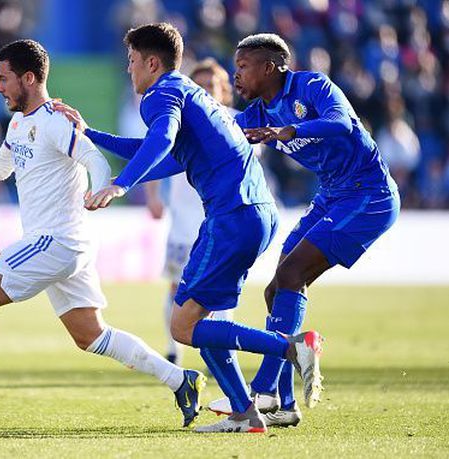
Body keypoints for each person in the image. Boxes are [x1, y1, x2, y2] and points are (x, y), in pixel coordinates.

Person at [0, 39, 208, 428]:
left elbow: (94, 159)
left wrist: (102, 189)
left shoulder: (56, 120)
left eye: (4, 78)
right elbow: (1, 168)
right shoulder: (19, 122)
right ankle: (182, 380)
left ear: (28, 78)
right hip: (65, 245)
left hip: (56, 240)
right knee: (91, 336)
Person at [54, 23, 323, 434]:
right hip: (254, 212)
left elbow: (159, 140)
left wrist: (121, 184)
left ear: (151, 62)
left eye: (130, 62)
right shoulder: (188, 94)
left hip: (232, 215)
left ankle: (292, 348)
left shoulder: (159, 94)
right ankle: (244, 413)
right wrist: (89, 133)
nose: (129, 70)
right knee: (199, 317)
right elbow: (161, 153)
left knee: (183, 326)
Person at [207, 33, 400, 428]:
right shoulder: (259, 113)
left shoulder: (311, 85)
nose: (236, 75)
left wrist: (289, 131)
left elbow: (343, 123)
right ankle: (285, 404)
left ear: (270, 67)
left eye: (243, 67)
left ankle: (263, 390)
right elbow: (214, 136)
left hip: (369, 194)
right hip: (332, 195)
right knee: (276, 289)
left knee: (292, 275)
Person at [143, 58, 236, 366]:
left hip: (222, 224)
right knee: (177, 288)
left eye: (212, 86)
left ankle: (224, 354)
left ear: (224, 91)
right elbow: (153, 157)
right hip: (183, 225)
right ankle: (173, 348)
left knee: (223, 291)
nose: (206, 91)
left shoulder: (235, 123)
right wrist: (153, 195)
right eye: (201, 86)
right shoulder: (177, 122)